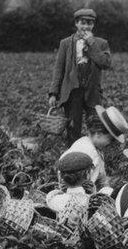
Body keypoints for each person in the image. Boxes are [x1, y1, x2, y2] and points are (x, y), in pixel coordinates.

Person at [48, 8, 112, 146]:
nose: (86, 26)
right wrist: (53, 93)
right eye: (83, 23)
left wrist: (91, 43)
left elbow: (105, 63)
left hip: (92, 92)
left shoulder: (101, 43)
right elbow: (59, 69)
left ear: (93, 25)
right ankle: (73, 159)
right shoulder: (65, 43)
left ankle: (95, 160)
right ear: (76, 23)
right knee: (72, 129)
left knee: (95, 127)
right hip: (72, 92)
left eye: (89, 23)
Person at [61, 105, 128, 196]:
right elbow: (82, 188)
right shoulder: (88, 152)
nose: (110, 143)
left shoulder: (87, 143)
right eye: (110, 139)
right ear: (98, 133)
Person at [46, 152, 93, 218]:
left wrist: (60, 191)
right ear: (87, 174)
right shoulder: (90, 203)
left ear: (61, 176)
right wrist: (93, 194)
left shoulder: (53, 200)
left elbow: (50, 196)